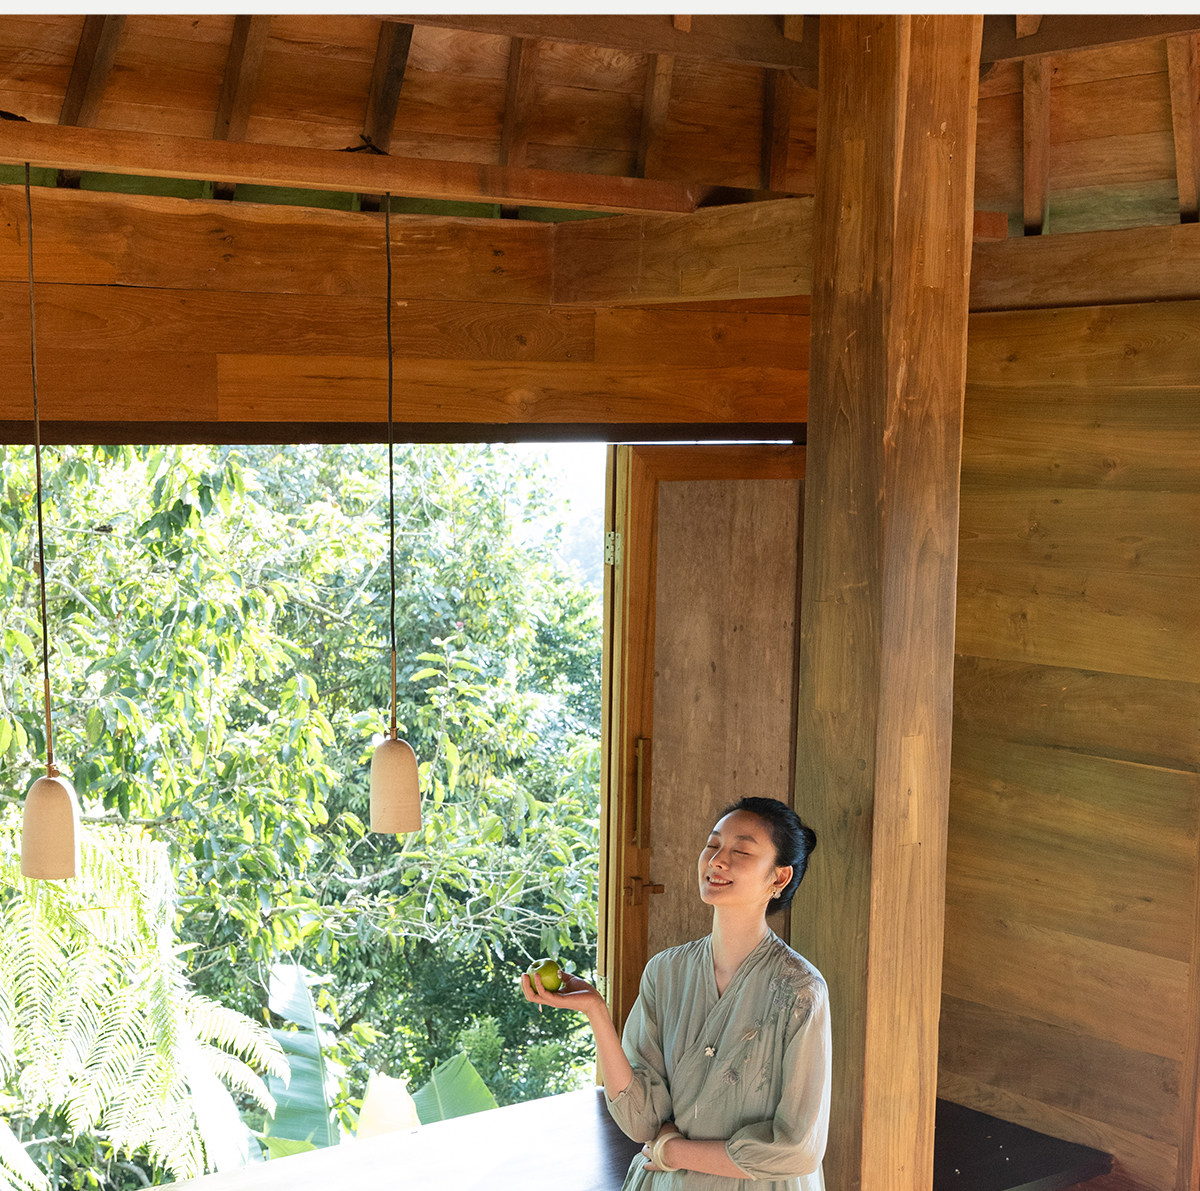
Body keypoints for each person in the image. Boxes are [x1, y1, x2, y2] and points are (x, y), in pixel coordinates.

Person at [521, 796, 831, 1189]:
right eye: (713, 844)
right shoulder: (665, 972)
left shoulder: (801, 990)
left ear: (779, 878)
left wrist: (672, 1151)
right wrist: (596, 1011)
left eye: (741, 851)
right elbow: (641, 1121)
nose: (717, 860)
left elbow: (797, 1150)